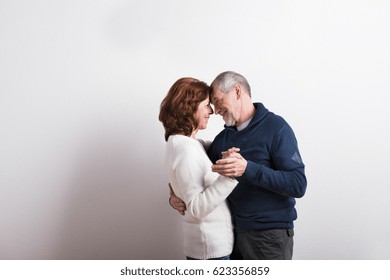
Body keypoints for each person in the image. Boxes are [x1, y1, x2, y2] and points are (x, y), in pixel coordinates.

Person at [170, 71, 307, 260]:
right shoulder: (224, 138)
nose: (215, 111)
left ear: (236, 91)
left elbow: (298, 184)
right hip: (233, 237)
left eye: (217, 101)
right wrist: (174, 194)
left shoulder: (276, 127)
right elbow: (194, 166)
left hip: (269, 237)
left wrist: (247, 168)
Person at [159, 77, 238, 260]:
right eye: (206, 104)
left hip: (209, 248)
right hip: (209, 251)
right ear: (190, 107)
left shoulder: (188, 144)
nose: (211, 111)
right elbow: (195, 209)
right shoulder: (185, 149)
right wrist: (229, 176)